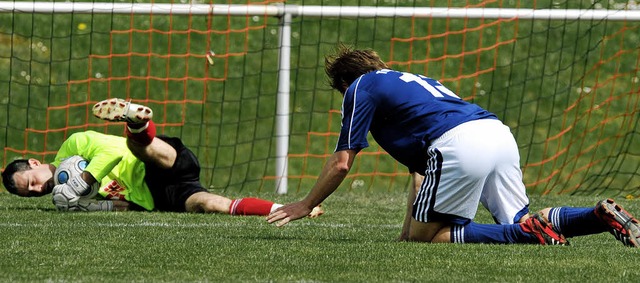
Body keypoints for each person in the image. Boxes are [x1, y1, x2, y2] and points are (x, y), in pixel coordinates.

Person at [267, 44, 640, 247]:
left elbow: (341, 163)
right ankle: (598, 217)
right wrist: (407, 230)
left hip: (459, 143)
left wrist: (305, 204)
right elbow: (421, 173)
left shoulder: (361, 87)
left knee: (436, 236)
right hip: (496, 133)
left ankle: (526, 236)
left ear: (345, 83)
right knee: (518, 219)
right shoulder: (410, 82)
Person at [2, 98, 324, 218]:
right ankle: (287, 208)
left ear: (34, 163)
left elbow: (113, 151)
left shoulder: (74, 146)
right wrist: (90, 204)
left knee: (138, 147)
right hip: (161, 195)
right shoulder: (64, 199)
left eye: (29, 182)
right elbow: (127, 204)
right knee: (213, 205)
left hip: (153, 161)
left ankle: (137, 122)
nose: (34, 190)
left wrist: (84, 180)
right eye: (27, 193)